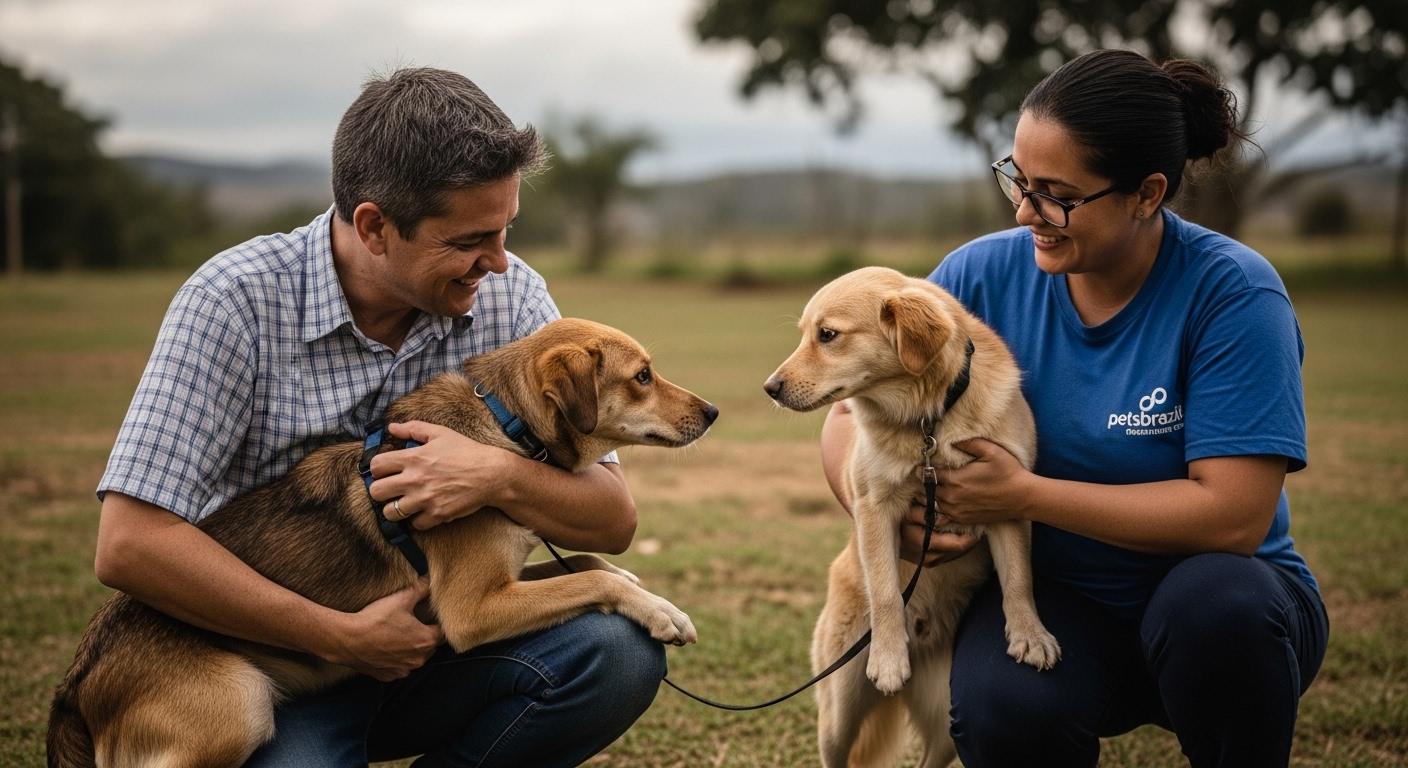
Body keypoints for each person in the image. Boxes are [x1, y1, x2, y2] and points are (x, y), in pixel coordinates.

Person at [93, 67, 663, 767]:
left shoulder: (510, 304)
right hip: (275, 668)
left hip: (442, 650)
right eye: (469, 240)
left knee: (618, 652)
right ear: (374, 227)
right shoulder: (234, 300)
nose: (500, 262)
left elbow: (612, 520)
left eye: (505, 230)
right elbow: (128, 544)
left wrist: (495, 475)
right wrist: (336, 634)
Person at [820, 49, 1328, 767]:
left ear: (1147, 194)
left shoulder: (1234, 296)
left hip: (1222, 612)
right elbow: (846, 418)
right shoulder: (978, 275)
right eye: (1019, 182)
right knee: (1003, 705)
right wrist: (885, 511)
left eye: (1058, 193)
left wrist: (1025, 494)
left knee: (1219, 607)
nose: (1029, 212)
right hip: (1056, 606)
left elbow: (1235, 517)